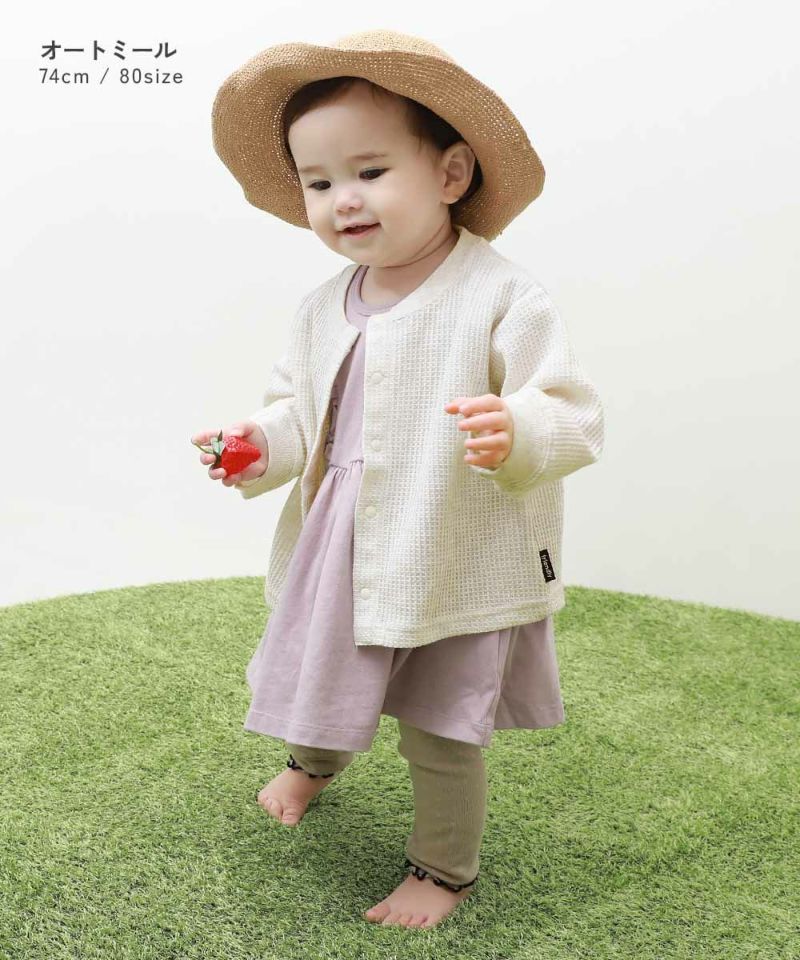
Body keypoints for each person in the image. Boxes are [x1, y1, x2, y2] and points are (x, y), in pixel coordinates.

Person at [192, 29, 604, 930]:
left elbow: (574, 413)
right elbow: (300, 412)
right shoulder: (321, 306)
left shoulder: (503, 296)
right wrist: (256, 444)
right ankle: (313, 763)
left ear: (451, 173)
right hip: (344, 535)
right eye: (318, 182)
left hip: (453, 544)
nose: (343, 200)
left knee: (440, 722)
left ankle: (443, 869)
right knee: (319, 668)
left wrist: (518, 428)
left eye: (371, 171)